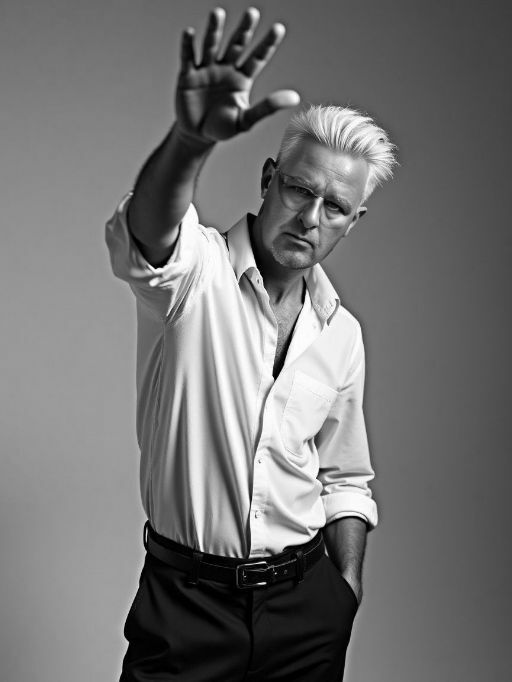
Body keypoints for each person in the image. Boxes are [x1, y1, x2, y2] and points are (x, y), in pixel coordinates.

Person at [106, 6, 396, 681]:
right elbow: (148, 230)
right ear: (269, 179)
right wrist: (189, 140)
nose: (311, 217)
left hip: (305, 609)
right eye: (299, 189)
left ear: (353, 221)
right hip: (187, 607)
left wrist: (344, 593)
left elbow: (345, 477)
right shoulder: (195, 274)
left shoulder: (342, 334)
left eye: (335, 207)